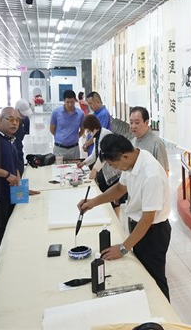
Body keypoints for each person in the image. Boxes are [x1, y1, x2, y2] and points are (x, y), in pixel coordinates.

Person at [78, 134, 171, 301]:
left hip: (153, 232)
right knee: (143, 274)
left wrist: (123, 248)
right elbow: (120, 189)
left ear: (125, 156)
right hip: (139, 226)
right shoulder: (133, 161)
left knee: (155, 279)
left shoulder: (151, 175)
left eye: (114, 165)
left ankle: (164, 314)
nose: (115, 169)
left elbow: (147, 219)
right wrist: (92, 202)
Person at [0, 107, 20, 279]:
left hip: (9, 197)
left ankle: (7, 274)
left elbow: (13, 167)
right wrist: (7, 175)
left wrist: (22, 187)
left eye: (17, 120)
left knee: (9, 237)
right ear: (1, 120)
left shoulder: (9, 140)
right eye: (10, 119)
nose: (15, 123)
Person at [76, 115, 124, 215]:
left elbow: (103, 155)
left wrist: (94, 169)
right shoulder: (96, 137)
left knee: (114, 199)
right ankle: (109, 215)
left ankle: (116, 219)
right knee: (106, 196)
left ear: (92, 127)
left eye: (88, 130)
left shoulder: (105, 134)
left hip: (113, 172)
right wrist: (84, 163)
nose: (88, 133)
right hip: (104, 172)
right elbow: (95, 155)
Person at [129, 107, 169, 174]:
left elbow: (164, 172)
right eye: (131, 122)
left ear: (146, 122)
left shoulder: (157, 143)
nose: (133, 126)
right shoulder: (132, 142)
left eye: (137, 123)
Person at [50, 90, 85, 160]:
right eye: (67, 102)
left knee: (75, 166)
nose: (70, 104)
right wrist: (61, 137)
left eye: (72, 102)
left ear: (75, 100)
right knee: (59, 167)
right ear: (64, 101)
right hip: (59, 148)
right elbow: (52, 129)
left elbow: (82, 130)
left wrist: (74, 137)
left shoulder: (80, 114)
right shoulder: (56, 112)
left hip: (74, 149)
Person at [14, 99, 32, 176]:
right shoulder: (10, 121)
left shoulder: (26, 120)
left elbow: (23, 134)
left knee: (20, 168)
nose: (24, 116)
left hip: (19, 146)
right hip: (9, 147)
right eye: (22, 113)